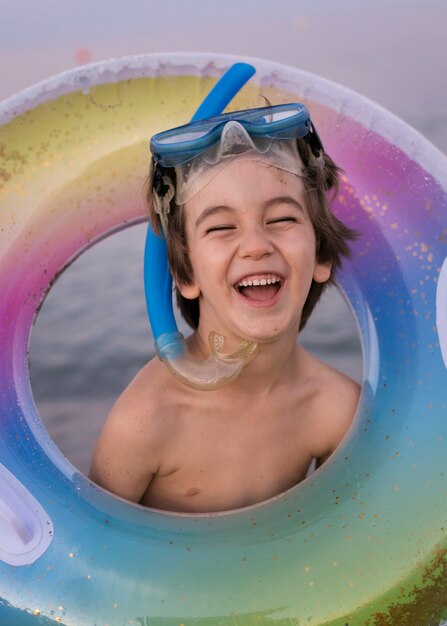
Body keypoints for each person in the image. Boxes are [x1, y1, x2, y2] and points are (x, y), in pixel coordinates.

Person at [89, 103, 360, 513]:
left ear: (320, 254)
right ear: (186, 275)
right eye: (220, 227)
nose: (255, 246)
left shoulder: (335, 410)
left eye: (281, 219)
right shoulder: (148, 419)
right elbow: (88, 554)